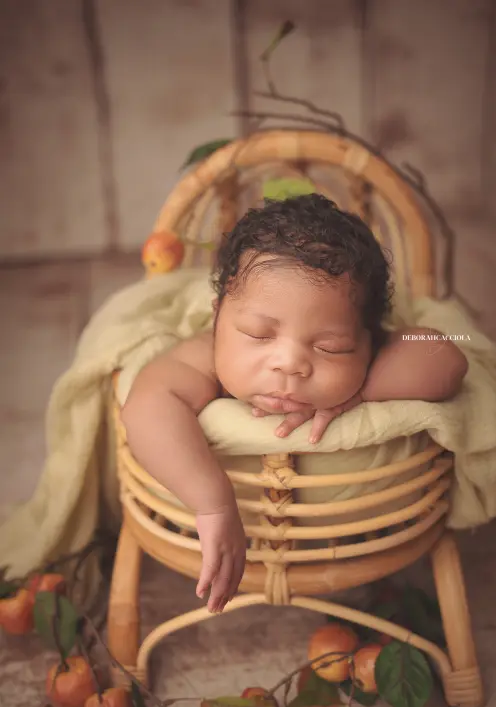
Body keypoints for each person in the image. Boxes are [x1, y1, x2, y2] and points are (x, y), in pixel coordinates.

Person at [121, 194, 468, 615]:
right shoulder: (204, 356)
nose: (289, 364)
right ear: (217, 319)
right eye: (258, 335)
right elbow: (147, 404)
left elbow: (447, 357)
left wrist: (361, 392)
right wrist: (213, 502)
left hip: (357, 530)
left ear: (368, 341)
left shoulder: (373, 354)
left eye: (330, 347)